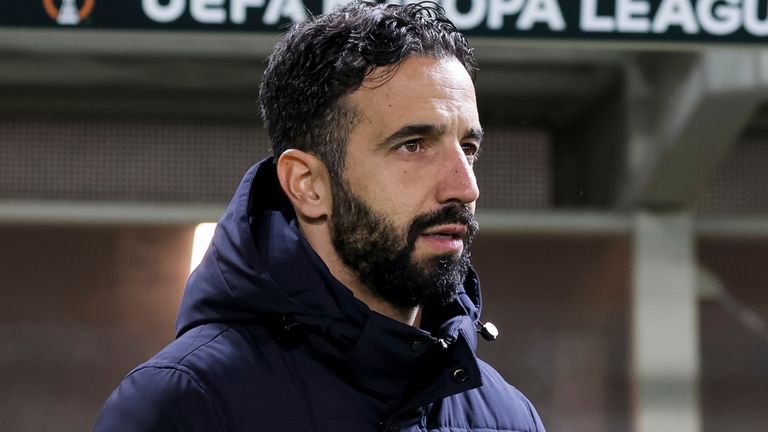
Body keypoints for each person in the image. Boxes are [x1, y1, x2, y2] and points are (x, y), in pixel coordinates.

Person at [94, 2, 546, 431]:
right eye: (413, 145)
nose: (465, 187)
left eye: (468, 148)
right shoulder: (185, 405)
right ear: (308, 184)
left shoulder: (510, 417)